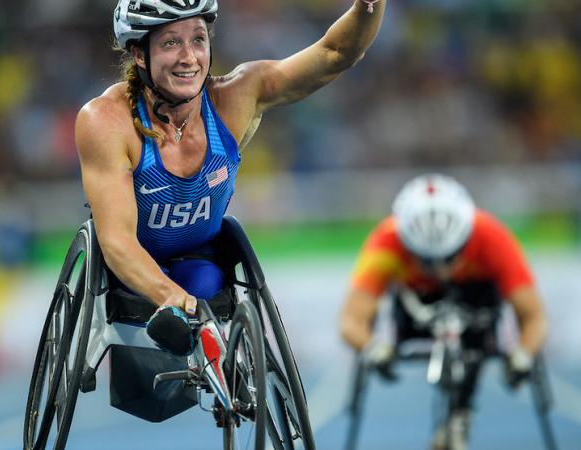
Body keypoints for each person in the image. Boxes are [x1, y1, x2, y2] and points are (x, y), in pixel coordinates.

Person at [74, 0, 385, 355]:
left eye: (198, 39)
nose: (189, 57)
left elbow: (334, 53)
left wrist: (367, 7)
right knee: (184, 306)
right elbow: (117, 242)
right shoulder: (106, 121)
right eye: (170, 43)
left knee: (205, 287)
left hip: (202, 258)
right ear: (140, 54)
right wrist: (171, 296)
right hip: (134, 269)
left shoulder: (235, 97)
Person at [339, 173, 548, 450]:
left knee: (481, 297)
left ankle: (460, 414)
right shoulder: (385, 242)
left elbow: (534, 315)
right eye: (427, 260)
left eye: (450, 257)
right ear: (407, 242)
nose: (440, 270)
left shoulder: (492, 236)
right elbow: (351, 320)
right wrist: (373, 348)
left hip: (477, 315)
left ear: (465, 236)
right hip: (415, 314)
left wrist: (523, 354)